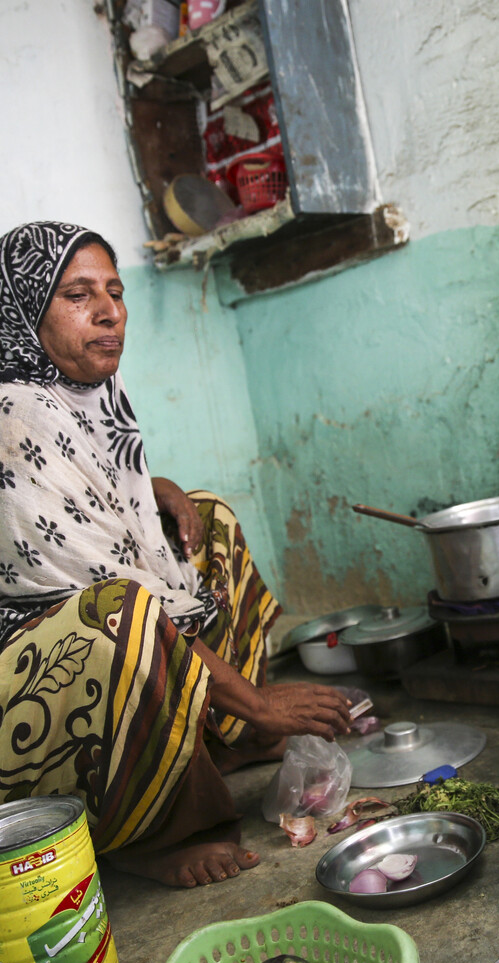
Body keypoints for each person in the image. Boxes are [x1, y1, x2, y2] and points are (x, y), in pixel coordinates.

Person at [0, 221, 352, 888]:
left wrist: (149, 487)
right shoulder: (12, 417)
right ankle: (146, 830)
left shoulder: (80, 395)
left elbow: (100, 519)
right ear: (21, 312)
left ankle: (221, 733)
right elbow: (102, 593)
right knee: (123, 614)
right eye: (78, 295)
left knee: (205, 520)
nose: (109, 312)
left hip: (89, 624)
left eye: (115, 290)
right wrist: (256, 697)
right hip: (21, 705)